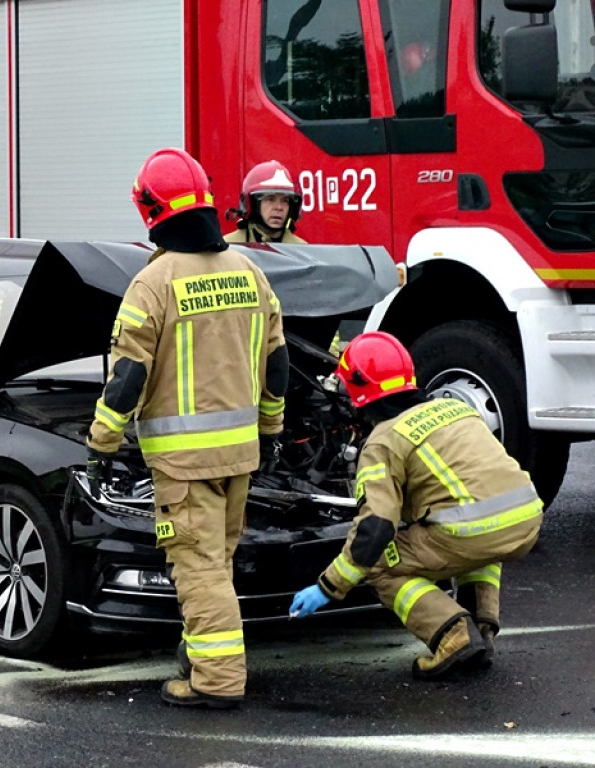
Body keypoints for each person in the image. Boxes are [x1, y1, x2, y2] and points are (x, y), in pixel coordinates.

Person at [86, 148, 288, 709]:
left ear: (151, 209)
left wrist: (100, 443)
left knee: (197, 571)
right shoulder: (250, 272)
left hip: (183, 463)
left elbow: (127, 377)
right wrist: (270, 431)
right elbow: (277, 363)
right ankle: (201, 653)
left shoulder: (154, 283)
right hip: (241, 453)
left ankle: (217, 680)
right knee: (216, 564)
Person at [289, 332, 543, 679]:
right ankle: (481, 628)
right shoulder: (454, 408)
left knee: (378, 563)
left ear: (360, 391)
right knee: (478, 533)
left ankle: (451, 634)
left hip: (471, 534)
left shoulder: (382, 442)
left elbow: (375, 530)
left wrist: (328, 587)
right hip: (524, 519)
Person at [225, 160, 306, 244]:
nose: (279, 207)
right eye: (270, 199)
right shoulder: (230, 247)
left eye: (285, 201)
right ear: (253, 204)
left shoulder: (301, 250)